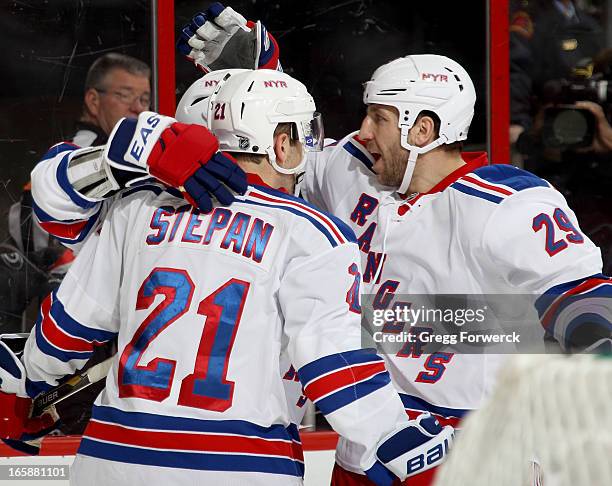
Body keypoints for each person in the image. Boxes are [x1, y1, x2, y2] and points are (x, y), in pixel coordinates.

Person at [178, 6, 612, 485]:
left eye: (378, 118)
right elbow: (280, 159)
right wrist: (258, 81)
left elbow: (582, 300)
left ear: (421, 130)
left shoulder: (508, 201)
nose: (363, 131)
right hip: (366, 448)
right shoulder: (352, 168)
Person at [0, 69, 452, 485]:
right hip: (242, 462)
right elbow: (332, 360)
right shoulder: (312, 231)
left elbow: (71, 324)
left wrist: (32, 385)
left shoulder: (137, 207)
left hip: (113, 458)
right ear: (281, 142)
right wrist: (391, 433)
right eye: (305, 133)